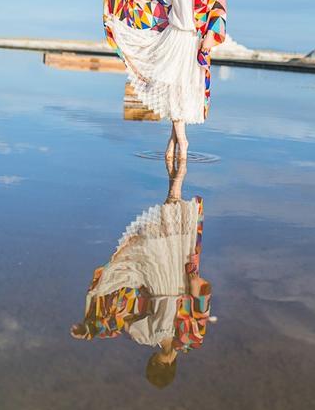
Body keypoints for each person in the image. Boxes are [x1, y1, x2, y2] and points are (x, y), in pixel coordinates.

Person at [70, 163, 214, 389]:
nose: (155, 359)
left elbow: (119, 322)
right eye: (156, 363)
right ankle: (178, 165)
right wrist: (194, 274)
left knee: (167, 220)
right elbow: (201, 303)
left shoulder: (147, 338)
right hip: (178, 278)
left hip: (157, 279)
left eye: (153, 362)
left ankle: (177, 166)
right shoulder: (190, 340)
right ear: (164, 365)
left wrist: (91, 329)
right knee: (172, 219)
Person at [92, 0, 227, 167]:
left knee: (183, 91)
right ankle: (180, 144)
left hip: (194, 42)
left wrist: (210, 39)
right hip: (173, 39)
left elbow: (219, 10)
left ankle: (175, 144)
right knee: (172, 90)